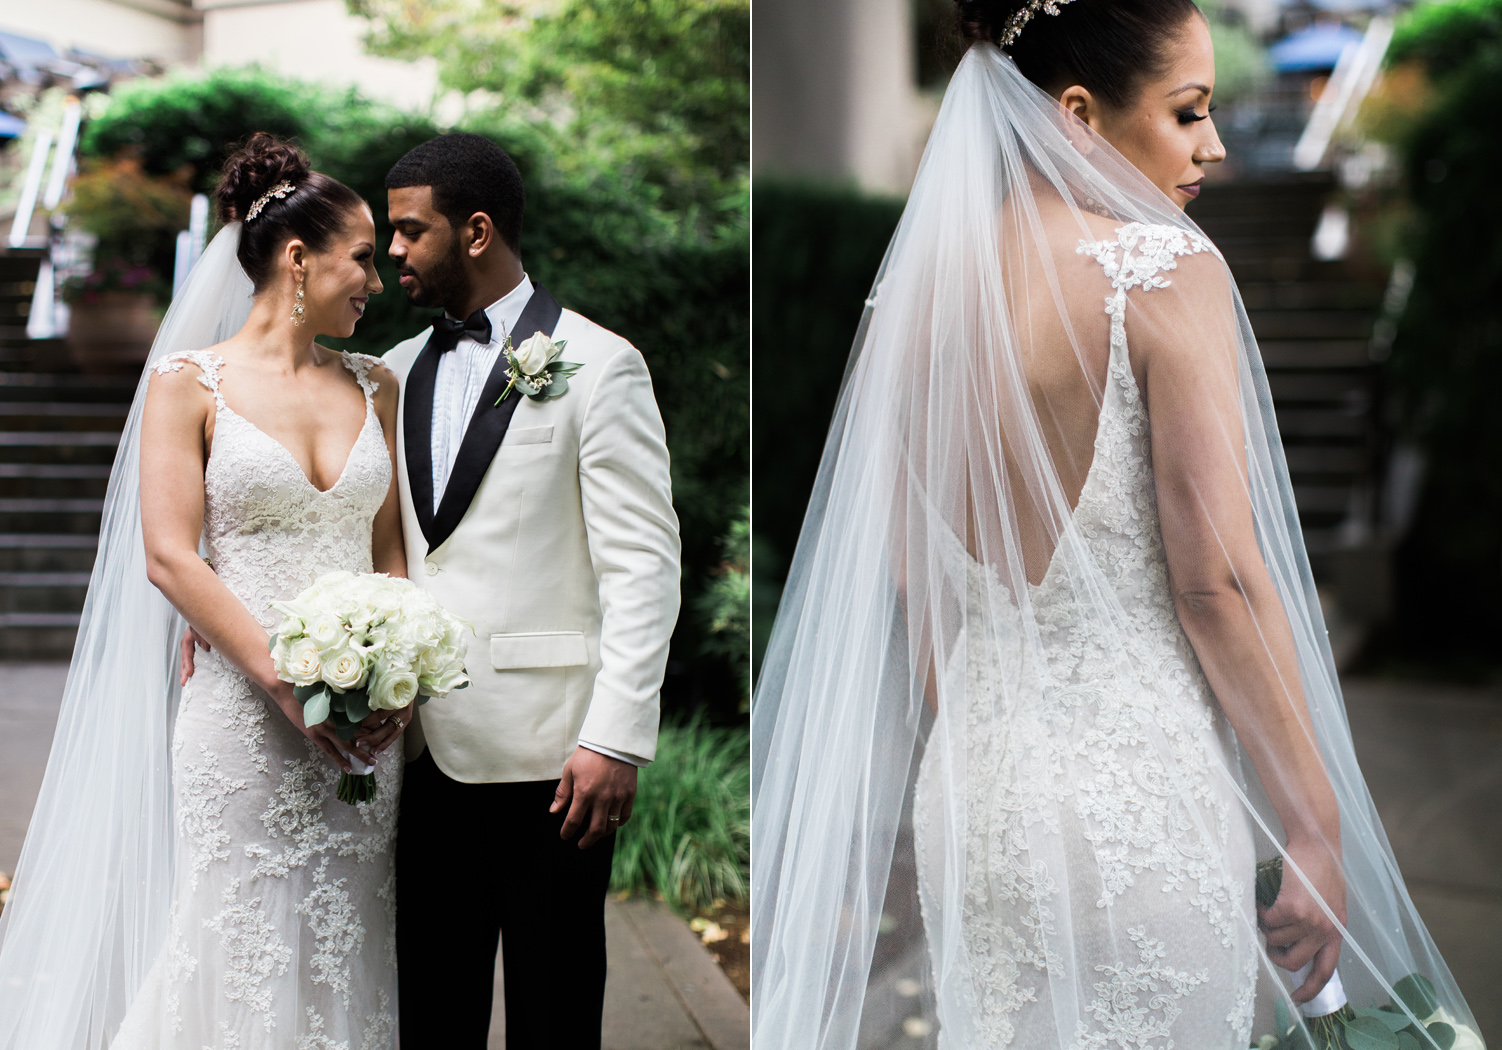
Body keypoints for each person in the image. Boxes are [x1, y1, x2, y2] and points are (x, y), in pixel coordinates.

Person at [750, 2, 1482, 1048]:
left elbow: (914, 580)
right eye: (1187, 113)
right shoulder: (1162, 272)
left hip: (973, 791)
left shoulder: (908, 298)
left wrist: (994, 747)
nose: (1213, 145)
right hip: (1138, 799)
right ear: (1079, 114)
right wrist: (1314, 827)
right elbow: (1215, 580)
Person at [0, 134, 408, 1047]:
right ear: (300, 259)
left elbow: (390, 556)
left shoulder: (376, 385)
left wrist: (395, 684)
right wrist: (288, 686)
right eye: (362, 260)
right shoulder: (186, 384)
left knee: (348, 946)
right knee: (234, 937)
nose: (374, 283)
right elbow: (171, 556)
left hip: (366, 733)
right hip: (241, 721)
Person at [377, 133, 681, 1049]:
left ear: (475, 231)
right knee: (433, 1007)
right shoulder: (388, 371)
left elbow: (644, 565)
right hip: (422, 749)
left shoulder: (600, 363)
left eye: (408, 231)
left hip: (556, 764)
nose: (391, 251)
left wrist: (614, 736)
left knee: (554, 1008)